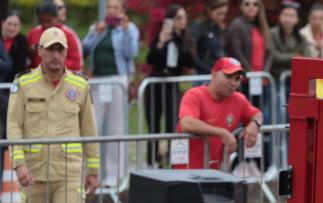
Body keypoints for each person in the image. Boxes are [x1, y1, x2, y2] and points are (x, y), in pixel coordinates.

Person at [7, 27, 100, 203]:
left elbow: (90, 130)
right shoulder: (23, 85)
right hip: (33, 172)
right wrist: (19, 163)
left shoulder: (79, 86)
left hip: (69, 170)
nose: (57, 55)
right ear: (41, 52)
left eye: (62, 50)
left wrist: (94, 169)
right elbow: (13, 126)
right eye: (52, 49)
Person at [82, 0, 139, 191]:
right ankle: (94, 172)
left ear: (123, 11)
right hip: (99, 81)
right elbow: (85, 49)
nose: (111, 11)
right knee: (95, 126)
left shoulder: (129, 29)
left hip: (117, 80)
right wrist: (96, 32)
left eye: (116, 8)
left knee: (116, 128)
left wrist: (123, 31)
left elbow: (131, 52)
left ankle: (114, 175)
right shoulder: (99, 28)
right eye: (109, 7)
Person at [176, 57, 262, 170]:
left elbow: (257, 115)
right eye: (228, 76)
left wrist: (254, 124)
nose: (233, 83)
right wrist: (222, 133)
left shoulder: (239, 100)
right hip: (188, 174)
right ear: (214, 74)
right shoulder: (194, 95)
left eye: (237, 79)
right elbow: (187, 123)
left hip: (218, 175)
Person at [145, 4, 196, 166]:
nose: (183, 21)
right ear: (171, 20)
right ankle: (152, 159)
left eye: (184, 17)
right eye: (179, 18)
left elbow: (189, 62)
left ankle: (171, 159)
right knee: (154, 124)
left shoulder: (185, 39)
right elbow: (150, 59)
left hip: (172, 84)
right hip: (155, 83)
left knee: (172, 123)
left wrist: (180, 39)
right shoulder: (162, 37)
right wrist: (161, 42)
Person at [26, 2, 81, 72]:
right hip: (37, 79)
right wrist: (31, 53)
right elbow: (27, 61)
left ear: (56, 17)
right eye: (42, 21)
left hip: (62, 78)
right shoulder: (33, 33)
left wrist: (53, 64)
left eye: (49, 21)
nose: (46, 24)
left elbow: (76, 64)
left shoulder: (68, 34)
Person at [0, 11, 29, 137]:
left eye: (15, 25)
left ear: (20, 26)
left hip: (10, 88)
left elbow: (19, 68)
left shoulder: (22, 41)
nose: (11, 28)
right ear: (2, 23)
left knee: (9, 123)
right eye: (9, 24)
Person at [226, 0, 272, 75]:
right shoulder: (236, 25)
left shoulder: (263, 26)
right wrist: (250, 72)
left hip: (262, 75)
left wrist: (265, 71)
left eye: (255, 4)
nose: (251, 7)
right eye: (247, 4)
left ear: (260, 7)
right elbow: (237, 52)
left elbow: (270, 51)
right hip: (245, 76)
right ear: (240, 7)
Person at [270, 1, 307, 83]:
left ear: (297, 19)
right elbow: (275, 57)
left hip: (296, 78)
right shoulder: (272, 34)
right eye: (285, 15)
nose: (288, 19)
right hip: (276, 79)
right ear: (279, 17)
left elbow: (306, 58)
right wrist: (294, 56)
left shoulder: (301, 38)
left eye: (292, 16)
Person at [191, 0, 229, 74]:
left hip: (218, 73)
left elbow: (222, 50)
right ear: (209, 11)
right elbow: (192, 53)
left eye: (224, 14)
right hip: (203, 74)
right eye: (219, 14)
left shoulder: (218, 27)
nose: (222, 17)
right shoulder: (198, 26)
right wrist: (208, 69)